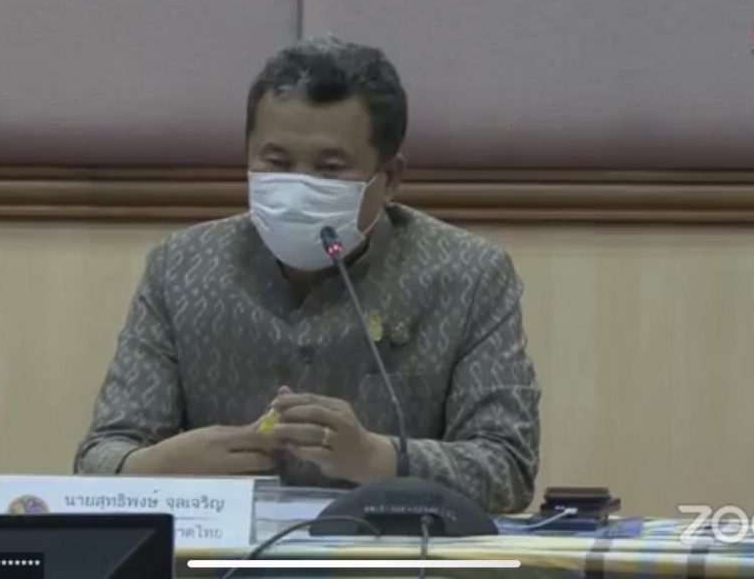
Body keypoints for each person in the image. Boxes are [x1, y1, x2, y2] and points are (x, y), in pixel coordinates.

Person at [75, 36, 541, 513]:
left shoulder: (469, 276)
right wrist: (160, 467)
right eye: (276, 163)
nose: (299, 188)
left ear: (390, 179)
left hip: (389, 549)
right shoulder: (181, 268)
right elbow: (99, 459)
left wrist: (382, 460)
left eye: (329, 168)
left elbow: (508, 470)